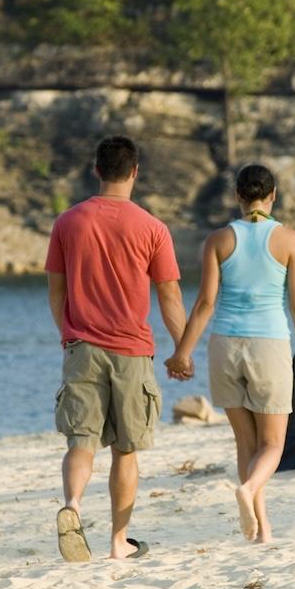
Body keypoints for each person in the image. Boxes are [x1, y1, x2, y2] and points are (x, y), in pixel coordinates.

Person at [46, 136, 187, 561]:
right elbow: (169, 297)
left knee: (81, 441)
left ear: (96, 170)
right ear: (135, 172)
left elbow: (56, 293)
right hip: (131, 352)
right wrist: (182, 349)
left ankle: (71, 506)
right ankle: (117, 542)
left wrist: (70, 336)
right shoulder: (152, 228)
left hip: (82, 346)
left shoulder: (68, 222)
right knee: (126, 450)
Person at [165, 164, 295, 543]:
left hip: (225, 347)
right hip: (269, 346)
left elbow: (204, 304)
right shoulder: (289, 240)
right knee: (272, 446)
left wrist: (182, 353)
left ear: (237, 195)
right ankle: (249, 493)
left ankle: (262, 529)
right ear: (273, 196)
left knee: (246, 446)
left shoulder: (218, 240)